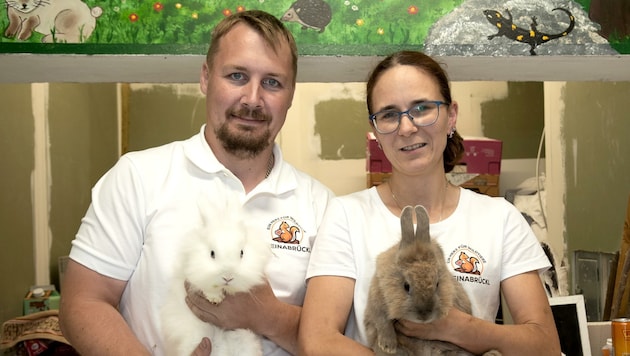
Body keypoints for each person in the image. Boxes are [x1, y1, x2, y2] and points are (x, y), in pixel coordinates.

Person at [59, 10, 333, 356]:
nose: (252, 99)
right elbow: (82, 302)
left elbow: (337, 336)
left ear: (291, 94)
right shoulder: (137, 177)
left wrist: (270, 316)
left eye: (272, 82)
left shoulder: (322, 206)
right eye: (236, 75)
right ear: (206, 78)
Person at [298, 50, 560, 355]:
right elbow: (316, 340)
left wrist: (460, 328)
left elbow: (545, 346)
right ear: (376, 133)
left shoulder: (500, 217)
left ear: (451, 117)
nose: (407, 127)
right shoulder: (346, 214)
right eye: (389, 114)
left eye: (422, 108)